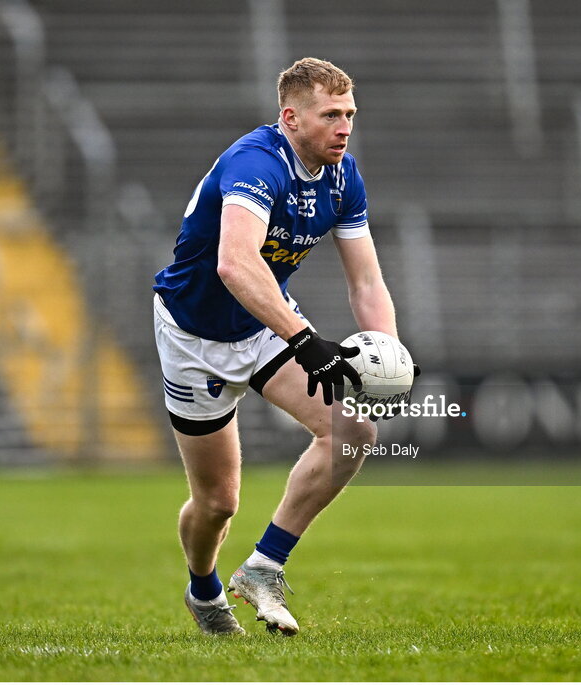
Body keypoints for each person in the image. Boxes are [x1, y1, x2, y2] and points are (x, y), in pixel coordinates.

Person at [153, 58, 408, 636]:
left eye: (350, 115)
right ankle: (203, 588)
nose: (344, 127)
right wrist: (307, 341)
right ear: (290, 117)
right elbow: (234, 263)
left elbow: (366, 282)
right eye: (330, 115)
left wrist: (389, 354)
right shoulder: (255, 162)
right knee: (217, 503)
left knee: (354, 429)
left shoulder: (344, 179)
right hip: (192, 338)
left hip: (265, 325)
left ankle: (264, 567)